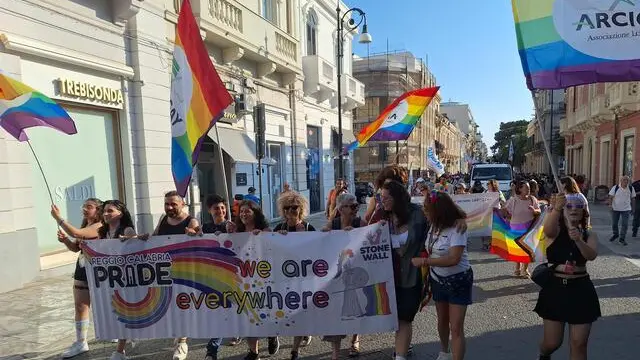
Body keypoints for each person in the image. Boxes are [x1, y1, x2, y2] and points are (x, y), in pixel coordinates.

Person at [535, 193, 600, 360]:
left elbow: (591, 255)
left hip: (581, 289)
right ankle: (543, 354)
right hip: (556, 288)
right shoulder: (556, 230)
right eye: (569, 206)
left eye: (579, 207)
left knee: (579, 344)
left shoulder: (589, 234)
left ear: (584, 212)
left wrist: (579, 240)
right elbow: (548, 230)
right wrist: (556, 208)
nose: (574, 209)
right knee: (552, 342)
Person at [413, 191, 472, 360]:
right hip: (438, 280)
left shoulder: (457, 228)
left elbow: (454, 259)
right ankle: (444, 351)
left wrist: (425, 262)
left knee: (456, 327)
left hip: (458, 281)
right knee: (441, 320)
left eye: (428, 209)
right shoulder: (433, 224)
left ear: (439, 211)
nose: (425, 212)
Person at [50, 199, 103, 358]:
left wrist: (59, 218)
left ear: (98, 210)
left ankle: (113, 333)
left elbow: (76, 234)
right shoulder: (85, 224)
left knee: (105, 304)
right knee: (80, 305)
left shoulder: (99, 226)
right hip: (82, 266)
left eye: (89, 207)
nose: (85, 209)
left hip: (99, 268)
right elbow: (75, 247)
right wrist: (65, 240)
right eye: (84, 206)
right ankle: (81, 342)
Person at [226, 200, 278, 360]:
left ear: (255, 213)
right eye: (241, 211)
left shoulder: (265, 230)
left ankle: (272, 335)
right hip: (243, 280)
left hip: (263, 280)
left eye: (247, 211)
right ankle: (253, 351)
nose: (243, 214)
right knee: (248, 315)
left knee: (265, 312)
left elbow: (275, 249)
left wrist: (266, 237)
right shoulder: (237, 231)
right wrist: (227, 235)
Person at [152, 191, 200, 360]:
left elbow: (196, 238)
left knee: (183, 305)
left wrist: (193, 234)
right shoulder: (163, 219)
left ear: (182, 204)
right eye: (167, 204)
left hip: (184, 271)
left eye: (173, 204)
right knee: (170, 306)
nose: (169, 207)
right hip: (165, 270)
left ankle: (182, 342)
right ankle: (178, 336)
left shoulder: (190, 220)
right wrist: (140, 238)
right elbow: (154, 237)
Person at [195, 194, 241, 359]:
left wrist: (234, 232)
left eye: (222, 207)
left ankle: (212, 348)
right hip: (212, 275)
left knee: (228, 308)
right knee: (220, 311)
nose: (220, 211)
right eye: (216, 208)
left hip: (232, 274)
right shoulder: (205, 227)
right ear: (209, 210)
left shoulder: (231, 225)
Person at [321, 193, 366, 360]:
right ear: (340, 209)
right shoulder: (333, 224)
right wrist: (325, 234)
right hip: (336, 275)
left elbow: (372, 240)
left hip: (355, 273)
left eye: (356, 205)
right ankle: (335, 353)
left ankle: (355, 340)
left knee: (355, 307)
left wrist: (358, 233)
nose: (355, 208)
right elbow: (320, 244)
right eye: (351, 206)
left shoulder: (360, 223)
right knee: (335, 311)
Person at [102, 200, 147, 360]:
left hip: (124, 280)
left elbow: (136, 247)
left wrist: (131, 239)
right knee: (114, 313)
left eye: (110, 211)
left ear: (120, 213)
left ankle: (119, 351)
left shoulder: (126, 229)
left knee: (123, 313)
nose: (106, 213)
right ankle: (121, 349)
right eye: (104, 211)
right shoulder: (102, 231)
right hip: (108, 278)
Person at [273, 191, 316, 359]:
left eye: (294, 207)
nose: (291, 211)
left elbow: (320, 249)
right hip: (284, 278)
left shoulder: (308, 228)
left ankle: (294, 350)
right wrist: (276, 237)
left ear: (301, 209)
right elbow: (268, 246)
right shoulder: (279, 228)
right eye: (287, 208)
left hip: (304, 278)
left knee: (301, 313)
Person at [503, 180, 541, 278]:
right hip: (516, 227)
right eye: (526, 188)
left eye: (529, 188)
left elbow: (539, 211)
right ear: (520, 189)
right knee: (517, 249)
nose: (528, 190)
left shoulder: (532, 199)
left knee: (527, 248)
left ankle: (525, 269)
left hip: (529, 227)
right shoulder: (513, 200)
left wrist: (534, 210)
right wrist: (504, 212)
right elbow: (506, 212)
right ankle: (517, 267)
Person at [607, 175, 636, 246]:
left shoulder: (631, 188)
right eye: (624, 180)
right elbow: (610, 197)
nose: (626, 182)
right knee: (614, 223)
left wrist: (633, 208)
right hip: (615, 208)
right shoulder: (616, 187)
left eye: (627, 180)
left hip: (626, 209)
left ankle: (622, 238)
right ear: (621, 181)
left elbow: (633, 199)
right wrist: (610, 205)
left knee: (625, 224)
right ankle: (615, 234)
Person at [482, 180, 506, 250]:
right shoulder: (485, 192)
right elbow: (481, 201)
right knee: (487, 228)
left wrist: (499, 199)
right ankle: (486, 243)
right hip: (487, 213)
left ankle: (495, 244)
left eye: (489, 184)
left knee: (496, 228)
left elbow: (503, 202)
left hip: (496, 212)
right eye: (487, 184)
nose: (487, 185)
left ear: (493, 185)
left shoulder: (498, 192)